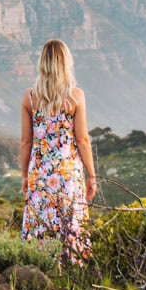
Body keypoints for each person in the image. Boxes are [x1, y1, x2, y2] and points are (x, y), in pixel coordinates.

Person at [21, 39, 96, 264]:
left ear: (42, 64)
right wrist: (91, 175)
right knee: (71, 224)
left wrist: (25, 175)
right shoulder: (76, 97)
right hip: (68, 174)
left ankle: (38, 268)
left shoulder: (30, 98)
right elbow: (82, 139)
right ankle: (73, 272)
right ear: (66, 63)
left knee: (41, 223)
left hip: (40, 174)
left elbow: (26, 141)